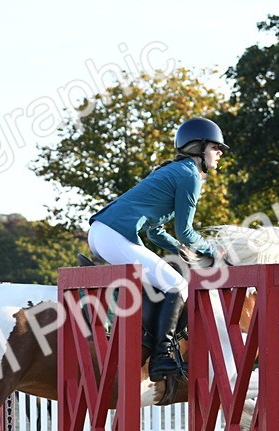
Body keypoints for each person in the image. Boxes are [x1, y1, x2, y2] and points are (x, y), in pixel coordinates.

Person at [87, 117, 228, 381]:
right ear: (198, 147)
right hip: (112, 234)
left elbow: (155, 231)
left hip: (103, 233)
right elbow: (185, 231)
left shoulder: (174, 171)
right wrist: (211, 249)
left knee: (163, 281)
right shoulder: (189, 175)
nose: (219, 153)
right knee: (177, 285)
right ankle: (162, 357)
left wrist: (181, 249)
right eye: (215, 147)